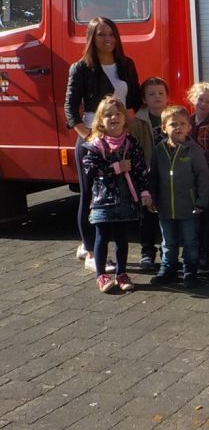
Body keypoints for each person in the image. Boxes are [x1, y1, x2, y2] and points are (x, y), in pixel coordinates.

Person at [65, 16, 141, 274]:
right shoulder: (81, 67)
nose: (107, 39)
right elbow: (70, 108)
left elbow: (134, 99)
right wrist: (88, 136)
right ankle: (88, 249)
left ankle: (101, 250)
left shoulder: (126, 64)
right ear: (92, 38)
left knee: (119, 192)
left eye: (111, 34)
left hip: (120, 138)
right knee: (90, 195)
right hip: (93, 140)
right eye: (101, 35)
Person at [82, 96, 151, 293]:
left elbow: (140, 170)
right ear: (100, 121)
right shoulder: (95, 145)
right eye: (108, 115)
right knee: (102, 236)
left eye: (118, 113)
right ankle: (101, 275)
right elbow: (91, 170)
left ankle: (121, 272)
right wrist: (116, 167)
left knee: (122, 237)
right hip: (103, 201)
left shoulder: (131, 144)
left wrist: (144, 191)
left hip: (125, 200)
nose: (114, 117)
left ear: (124, 118)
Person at [149, 106, 209, 289]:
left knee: (191, 242)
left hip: (189, 207)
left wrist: (201, 201)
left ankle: (190, 272)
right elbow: (153, 176)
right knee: (168, 242)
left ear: (189, 127)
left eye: (183, 124)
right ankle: (168, 270)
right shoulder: (159, 150)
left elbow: (203, 176)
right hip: (165, 207)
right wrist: (152, 197)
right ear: (163, 127)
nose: (178, 127)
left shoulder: (194, 150)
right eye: (173, 124)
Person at [135, 76, 170, 270]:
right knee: (146, 217)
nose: (156, 97)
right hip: (147, 175)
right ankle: (147, 252)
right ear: (144, 99)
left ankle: (168, 250)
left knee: (167, 214)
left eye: (160, 93)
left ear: (167, 97)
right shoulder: (138, 121)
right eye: (151, 94)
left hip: (169, 174)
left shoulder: (175, 117)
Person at [186, 81, 209, 274]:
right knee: (192, 218)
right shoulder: (186, 121)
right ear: (192, 98)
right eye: (200, 99)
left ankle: (204, 256)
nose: (204, 104)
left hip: (207, 178)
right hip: (188, 179)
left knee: (207, 218)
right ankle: (192, 254)